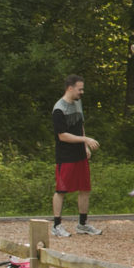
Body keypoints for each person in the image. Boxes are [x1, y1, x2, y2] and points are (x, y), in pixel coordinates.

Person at [51, 76, 102, 238]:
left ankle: (82, 224)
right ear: (70, 88)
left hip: (80, 155)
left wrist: (85, 146)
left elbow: (80, 126)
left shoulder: (78, 103)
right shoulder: (59, 109)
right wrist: (85, 140)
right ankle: (56, 225)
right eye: (80, 89)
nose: (82, 92)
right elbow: (63, 136)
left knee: (85, 189)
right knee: (61, 190)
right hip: (65, 156)